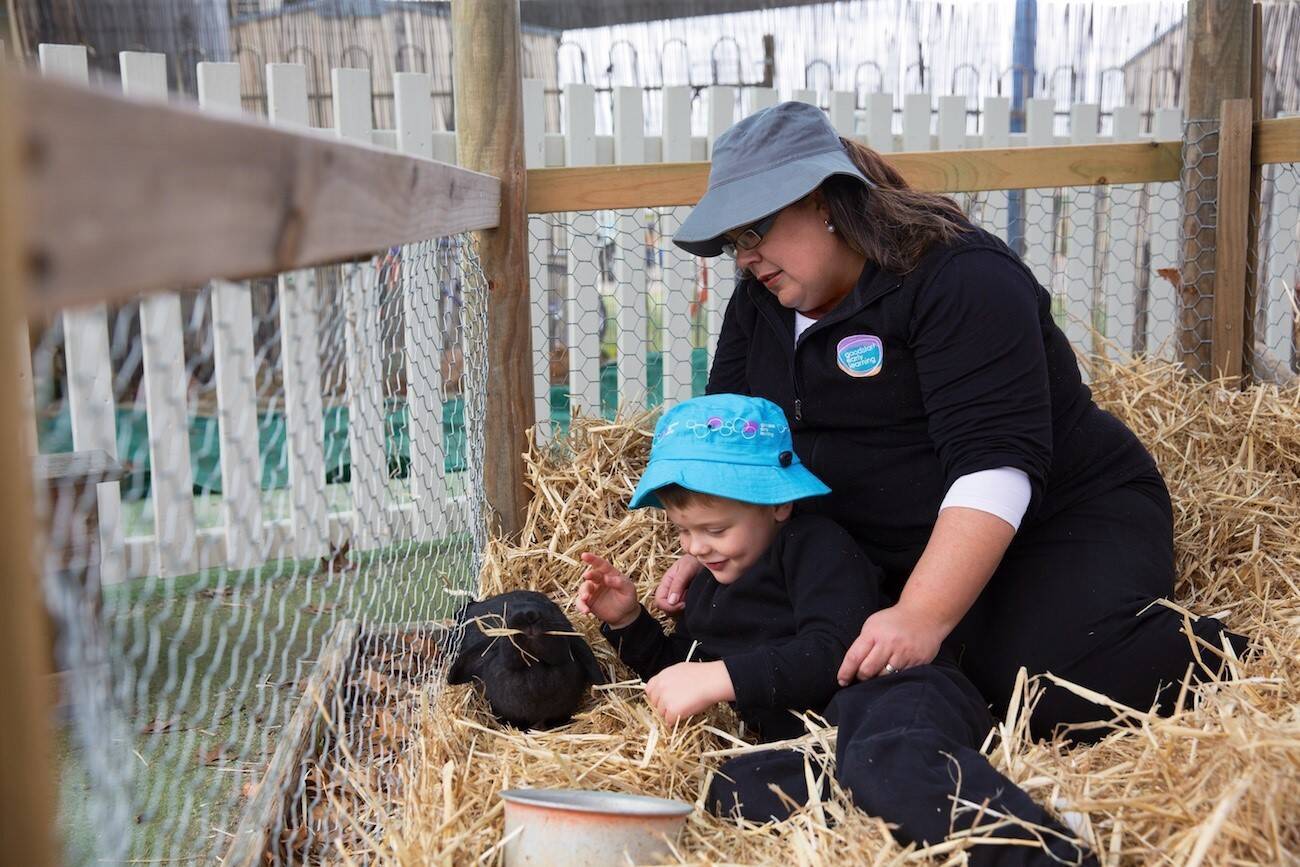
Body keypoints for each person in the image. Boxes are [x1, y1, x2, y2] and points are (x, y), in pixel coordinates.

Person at [654, 101, 1247, 746]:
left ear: (825, 201)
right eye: (736, 241)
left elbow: (995, 469)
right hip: (881, 543)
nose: (745, 258)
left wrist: (921, 614)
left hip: (1051, 522)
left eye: (756, 230)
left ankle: (1231, 660)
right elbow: (732, 439)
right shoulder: (764, 299)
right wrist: (715, 539)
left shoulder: (960, 277)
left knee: (1041, 688)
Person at [578, 394, 1096, 865]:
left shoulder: (816, 548)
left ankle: (1042, 853)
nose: (696, 548)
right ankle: (891, 834)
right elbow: (687, 676)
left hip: (891, 693)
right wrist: (627, 620)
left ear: (777, 504)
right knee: (731, 787)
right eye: (684, 531)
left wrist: (724, 677)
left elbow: (831, 650)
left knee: (890, 759)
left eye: (715, 530)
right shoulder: (713, 587)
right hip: (825, 741)